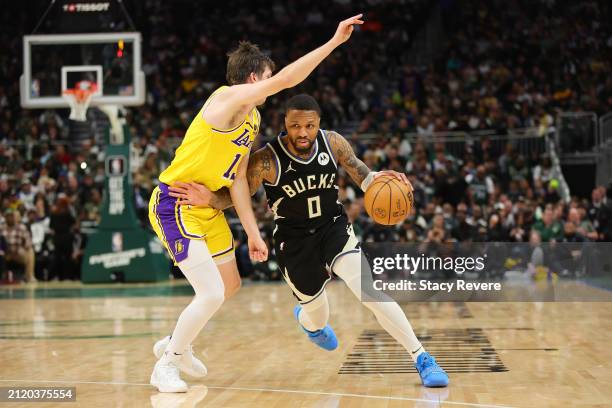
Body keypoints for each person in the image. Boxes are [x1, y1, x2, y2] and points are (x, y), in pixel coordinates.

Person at [148, 15, 365, 393]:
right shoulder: (225, 99)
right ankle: (167, 364)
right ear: (254, 79)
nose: (274, 79)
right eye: (269, 75)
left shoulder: (252, 117)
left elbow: (235, 178)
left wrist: (252, 233)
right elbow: (286, 80)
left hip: (207, 208)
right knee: (211, 292)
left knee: (229, 286)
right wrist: (333, 43)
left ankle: (173, 344)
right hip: (175, 203)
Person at [169, 94, 449, 388]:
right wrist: (211, 199)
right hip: (295, 242)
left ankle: (421, 357)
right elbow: (238, 195)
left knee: (369, 291)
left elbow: (362, 175)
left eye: (310, 126)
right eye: (295, 126)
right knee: (318, 316)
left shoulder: (334, 142)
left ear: (318, 124)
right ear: (285, 124)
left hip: (333, 228)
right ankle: (308, 322)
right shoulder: (266, 159)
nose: (302, 132)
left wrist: (382, 179)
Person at [0, 209, 36, 283]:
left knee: (30, 251)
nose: (10, 218)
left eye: (11, 216)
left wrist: (24, 248)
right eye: (8, 216)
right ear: (5, 218)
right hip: (4, 253)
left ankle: (29, 276)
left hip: (17, 252)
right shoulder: (1, 228)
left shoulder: (21, 227)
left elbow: (28, 242)